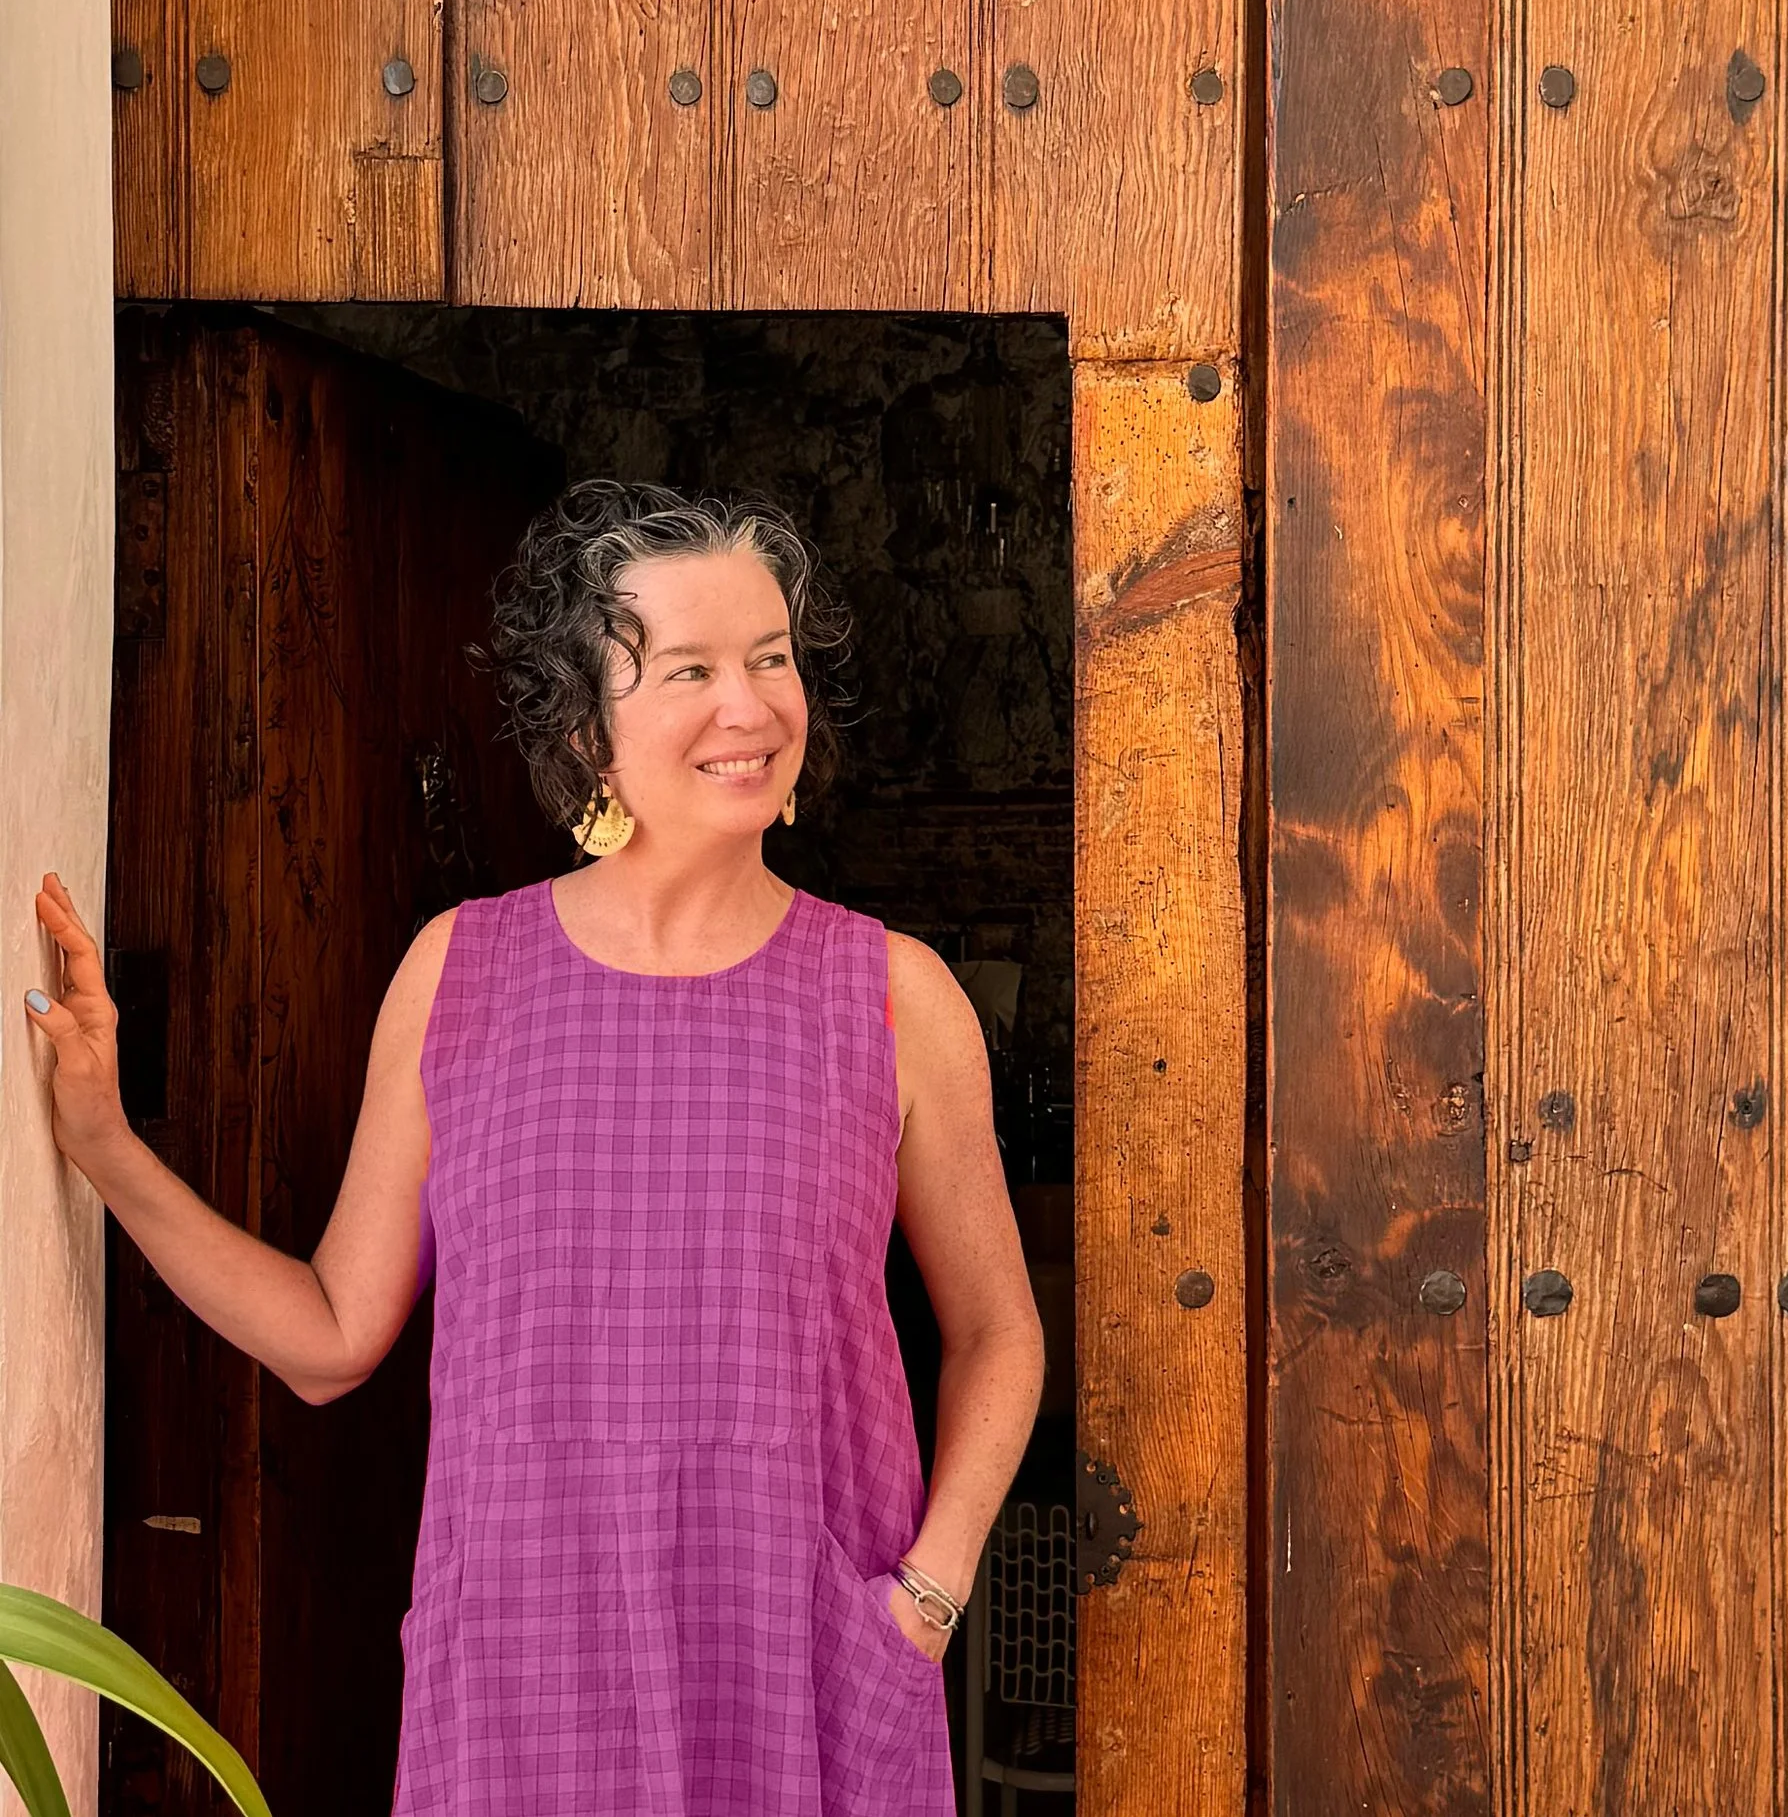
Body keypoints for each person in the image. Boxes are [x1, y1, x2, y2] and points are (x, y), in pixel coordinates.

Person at [23, 480, 1045, 1814]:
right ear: (584, 724)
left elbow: (999, 1333)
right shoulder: (465, 975)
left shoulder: (894, 996)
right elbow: (332, 1332)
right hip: (523, 1684)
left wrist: (927, 1592)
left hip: (804, 1677)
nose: (750, 706)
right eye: (689, 668)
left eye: (773, 657)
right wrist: (101, 1142)